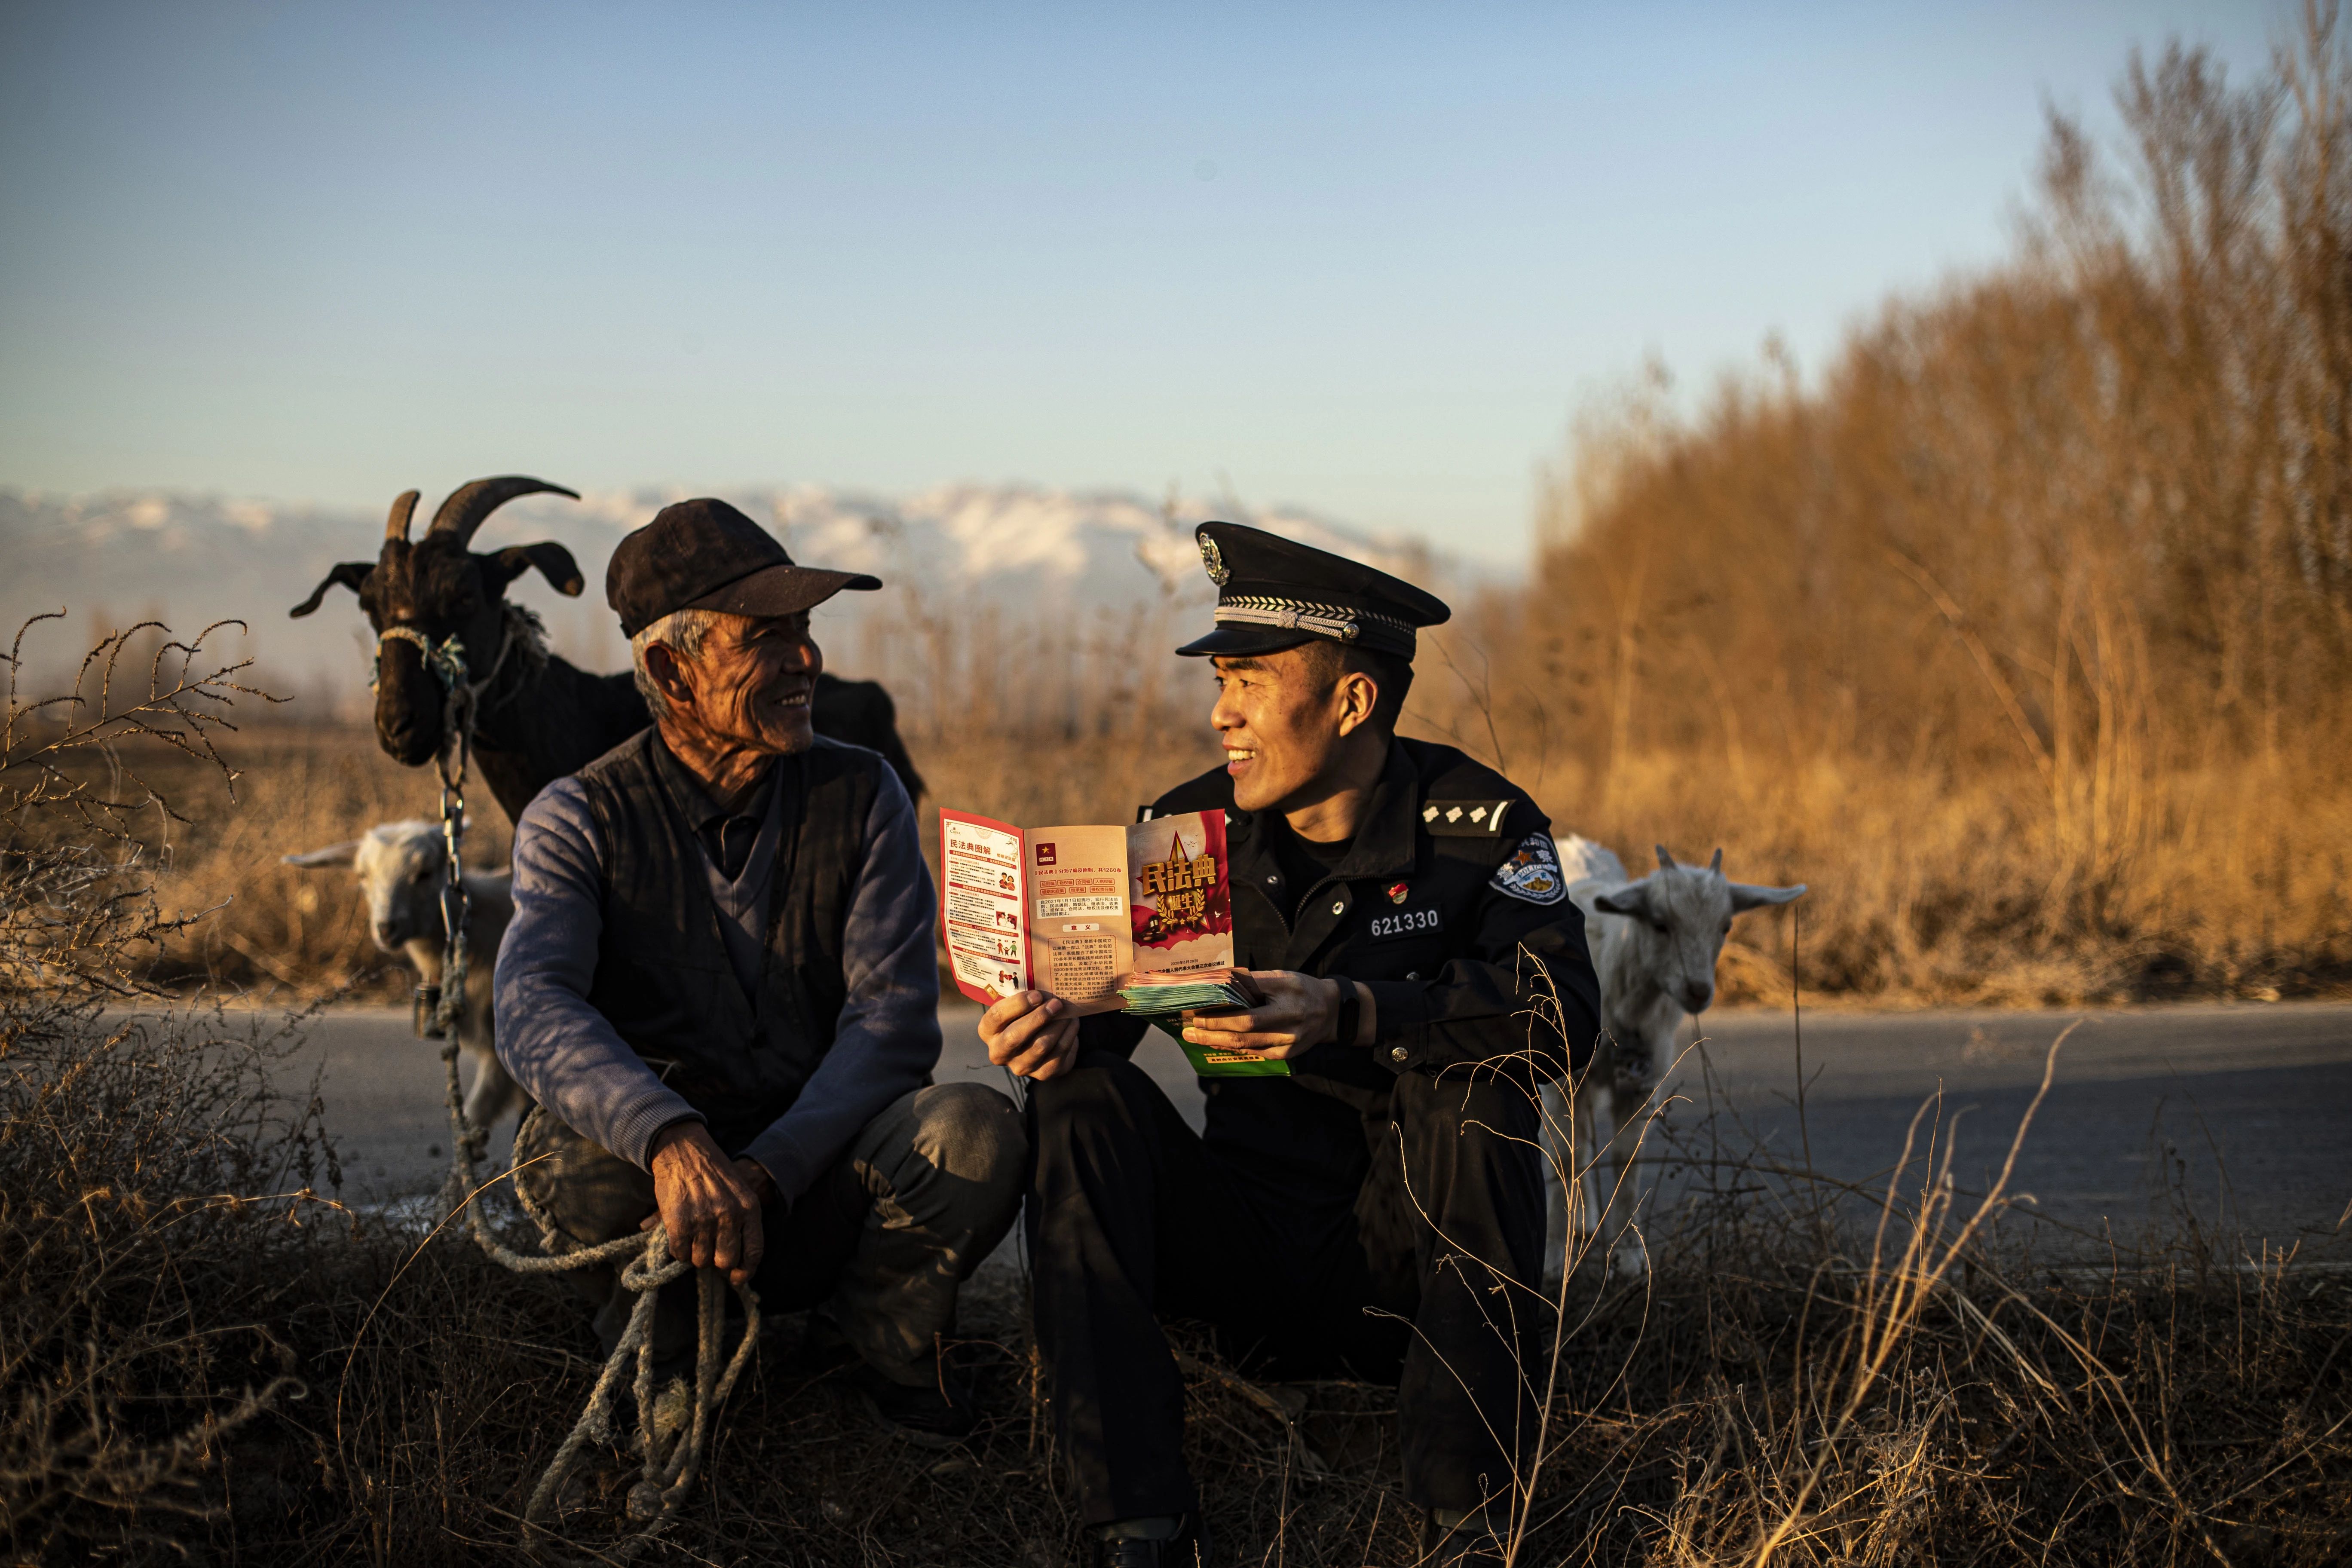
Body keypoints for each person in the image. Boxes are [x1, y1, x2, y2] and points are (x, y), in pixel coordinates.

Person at [984, 523, 1602, 1567]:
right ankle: (1137, 1523)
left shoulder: (1478, 830)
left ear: (1353, 701)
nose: (1220, 713)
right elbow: (1109, 1034)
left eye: (1250, 682)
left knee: (1477, 1088)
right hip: (1243, 1256)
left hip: (1412, 1282)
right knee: (1075, 1103)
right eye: (1219, 682)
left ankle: (1469, 1520)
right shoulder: (1188, 836)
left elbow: (1565, 1016)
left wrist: (1355, 1010)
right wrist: (1052, 1026)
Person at [495, 497, 1026, 1443]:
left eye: (805, 630)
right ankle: (659, 1360)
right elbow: (533, 1006)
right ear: (673, 671)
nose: (806, 659)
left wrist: (768, 1171)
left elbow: (893, 1021)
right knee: (561, 1151)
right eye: (765, 638)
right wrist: (670, 1140)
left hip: (813, 1186)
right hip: (660, 1201)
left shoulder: (864, 793)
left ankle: (876, 1345)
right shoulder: (578, 817)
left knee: (973, 1130)